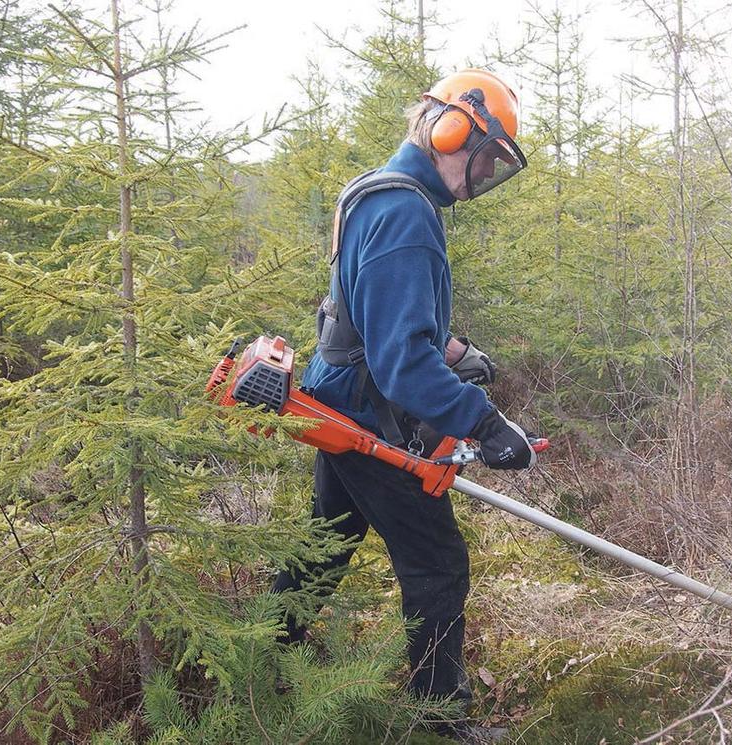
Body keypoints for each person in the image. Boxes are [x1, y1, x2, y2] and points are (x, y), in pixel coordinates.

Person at [272, 69, 536, 741]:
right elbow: (398, 362)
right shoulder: (407, 216)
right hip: (369, 415)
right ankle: (439, 717)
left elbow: (375, 314)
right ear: (452, 131)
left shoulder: (380, 193)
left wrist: (452, 350)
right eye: (486, 157)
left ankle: (262, 655)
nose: (482, 176)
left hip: (339, 397)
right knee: (437, 563)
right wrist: (484, 421)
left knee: (327, 543)